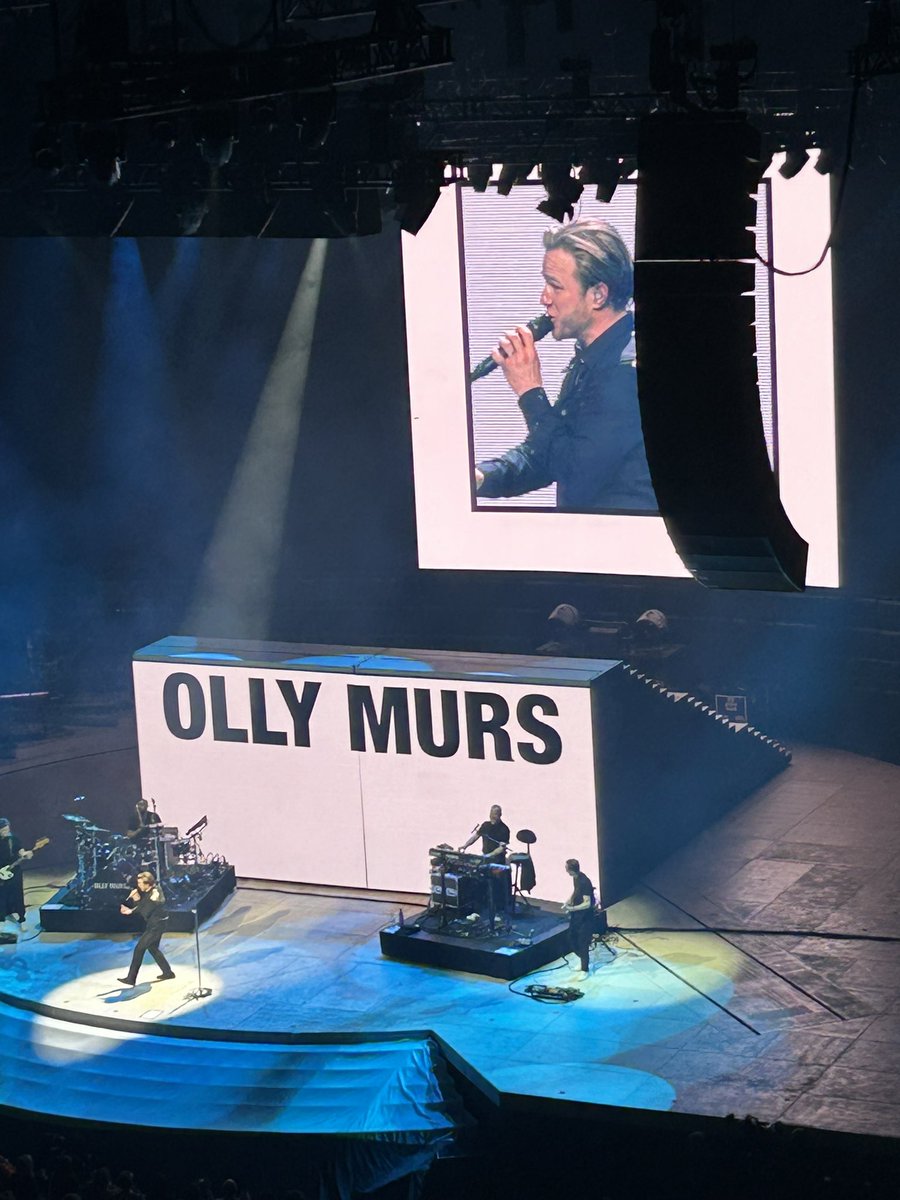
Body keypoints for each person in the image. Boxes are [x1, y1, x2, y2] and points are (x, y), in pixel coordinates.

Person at [474, 219, 656, 512]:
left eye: (555, 286)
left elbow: (574, 473)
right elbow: (548, 453)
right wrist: (482, 477)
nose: (544, 298)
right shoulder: (591, 361)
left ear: (598, 294)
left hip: (621, 548)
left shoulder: (625, 372)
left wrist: (530, 390)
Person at [117, 870, 175, 986]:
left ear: (148, 883)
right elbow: (144, 906)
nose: (139, 886)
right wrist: (136, 900)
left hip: (156, 926)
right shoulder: (151, 890)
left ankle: (131, 978)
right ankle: (168, 972)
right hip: (157, 924)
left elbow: (146, 910)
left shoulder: (154, 895)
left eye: (140, 883)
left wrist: (131, 910)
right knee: (153, 948)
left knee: (139, 949)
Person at [562, 857, 597, 976]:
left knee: (583, 942)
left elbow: (587, 904)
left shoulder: (584, 881)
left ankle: (585, 969)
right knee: (571, 937)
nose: (565, 869)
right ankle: (583, 960)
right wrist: (569, 900)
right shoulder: (575, 878)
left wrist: (572, 908)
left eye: (566, 867)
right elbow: (576, 891)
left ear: (570, 869)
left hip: (585, 917)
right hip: (576, 915)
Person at [0, 818, 33, 925]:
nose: (6, 832)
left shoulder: (13, 838)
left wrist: (24, 854)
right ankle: (2, 917)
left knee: (17, 893)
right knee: (2, 894)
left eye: (7, 829)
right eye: (3, 830)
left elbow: (20, 849)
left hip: (14, 870)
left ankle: (21, 917)